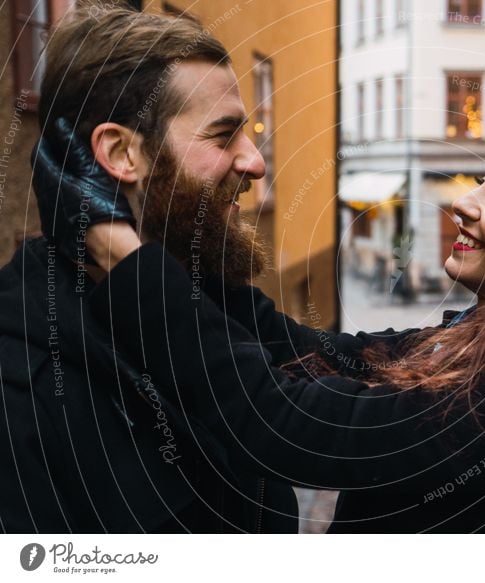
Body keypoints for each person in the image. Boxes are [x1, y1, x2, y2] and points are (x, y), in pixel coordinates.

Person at [41, 100, 485, 533]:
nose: (464, 204)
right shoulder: (481, 344)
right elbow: (312, 351)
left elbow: (285, 425)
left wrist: (117, 250)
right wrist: (174, 249)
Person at [0, 4, 297, 532]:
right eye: (223, 134)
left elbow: (345, 392)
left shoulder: (217, 300)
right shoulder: (23, 384)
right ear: (120, 152)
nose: (255, 162)